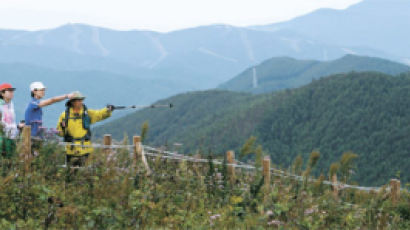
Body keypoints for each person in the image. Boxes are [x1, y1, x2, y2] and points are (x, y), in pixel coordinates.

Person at [56, 91, 115, 166]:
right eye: (79, 100)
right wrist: (62, 127)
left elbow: (99, 114)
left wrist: (107, 110)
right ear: (72, 102)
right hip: (70, 150)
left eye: (82, 100)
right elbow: (60, 133)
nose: (81, 102)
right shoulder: (64, 115)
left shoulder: (86, 113)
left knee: (85, 173)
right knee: (71, 173)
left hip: (85, 149)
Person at [0, 83, 24, 158]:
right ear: (2, 93)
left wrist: (18, 126)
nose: (12, 93)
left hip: (11, 136)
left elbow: (11, 121)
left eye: (12, 91)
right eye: (9, 91)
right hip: (3, 137)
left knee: (11, 158)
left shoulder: (11, 104)